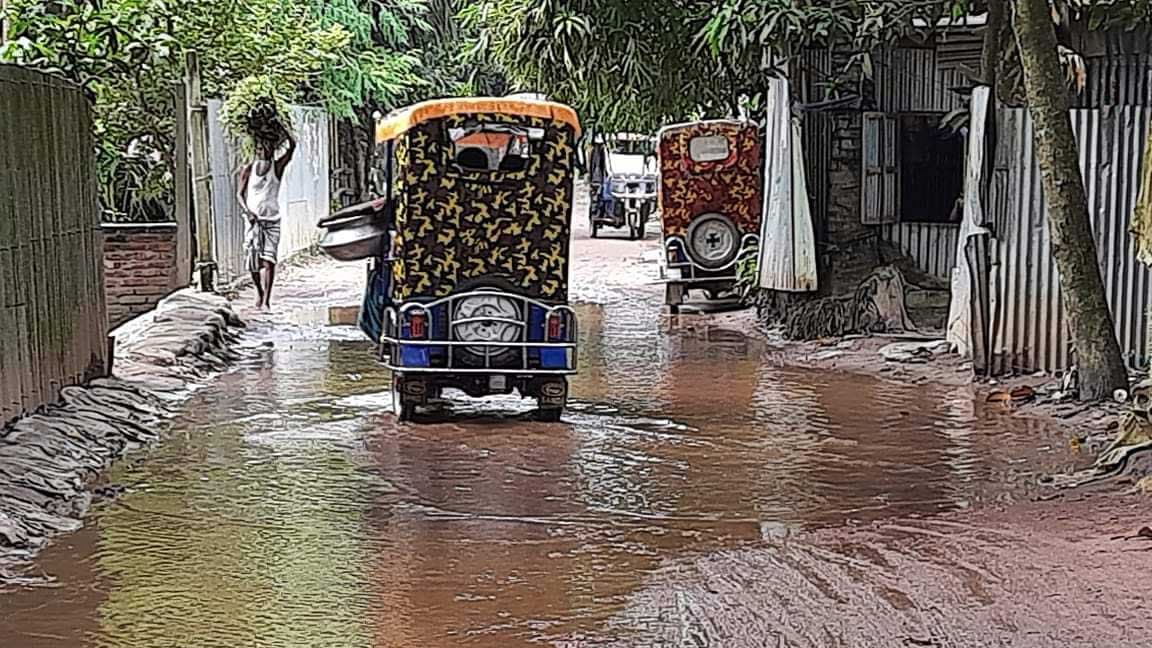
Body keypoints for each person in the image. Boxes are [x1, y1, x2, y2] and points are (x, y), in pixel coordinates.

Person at [236, 132, 295, 310]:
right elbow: (240, 194)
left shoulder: (276, 168)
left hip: (272, 220)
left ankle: (267, 300)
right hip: (253, 221)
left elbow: (292, 147)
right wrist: (248, 212)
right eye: (261, 148)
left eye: (268, 148)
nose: (264, 151)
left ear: (272, 150)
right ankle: (259, 291)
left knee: (269, 260)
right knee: (252, 262)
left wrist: (283, 129)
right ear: (256, 150)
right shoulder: (248, 169)